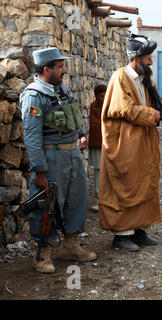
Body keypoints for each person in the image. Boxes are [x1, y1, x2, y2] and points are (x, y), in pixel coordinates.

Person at [20, 47, 96, 273]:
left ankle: (70, 245)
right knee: (47, 204)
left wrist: (81, 134)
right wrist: (40, 171)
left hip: (71, 154)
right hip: (51, 157)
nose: (64, 71)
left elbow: (72, 112)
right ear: (46, 69)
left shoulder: (60, 88)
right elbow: (32, 136)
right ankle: (43, 252)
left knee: (76, 198)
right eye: (60, 67)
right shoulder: (34, 95)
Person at [99, 34, 162, 252]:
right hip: (125, 144)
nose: (151, 62)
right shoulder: (120, 78)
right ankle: (122, 235)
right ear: (136, 58)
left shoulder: (145, 80)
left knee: (144, 181)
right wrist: (151, 115)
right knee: (126, 184)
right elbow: (123, 109)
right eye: (148, 58)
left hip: (143, 143)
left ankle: (139, 230)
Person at [88, 83, 107, 211]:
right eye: (100, 96)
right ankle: (99, 200)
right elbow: (95, 126)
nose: (103, 98)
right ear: (95, 96)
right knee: (98, 172)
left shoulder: (112, 106)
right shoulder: (93, 107)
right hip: (96, 144)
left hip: (111, 144)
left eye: (105, 95)